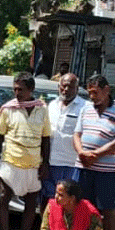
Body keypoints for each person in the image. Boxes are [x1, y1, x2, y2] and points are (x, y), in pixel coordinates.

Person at [0, 72, 51, 230]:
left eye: (21, 89)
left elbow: (46, 138)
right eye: (15, 89)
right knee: (4, 199)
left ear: (31, 90)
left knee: (31, 203)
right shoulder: (7, 109)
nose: (17, 93)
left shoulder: (42, 109)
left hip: (33, 164)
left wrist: (45, 163)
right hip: (10, 161)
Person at [74, 73, 115, 230]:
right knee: (83, 207)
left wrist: (97, 154)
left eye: (95, 92)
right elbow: (77, 134)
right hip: (83, 166)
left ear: (107, 90)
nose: (92, 96)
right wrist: (82, 152)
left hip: (107, 170)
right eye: (90, 93)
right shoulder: (85, 109)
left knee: (108, 209)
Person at [44, 73, 87, 202]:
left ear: (77, 88)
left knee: (69, 201)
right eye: (63, 86)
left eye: (70, 86)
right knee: (48, 199)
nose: (66, 90)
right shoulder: (52, 105)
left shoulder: (85, 107)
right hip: (51, 162)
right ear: (59, 86)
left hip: (71, 163)